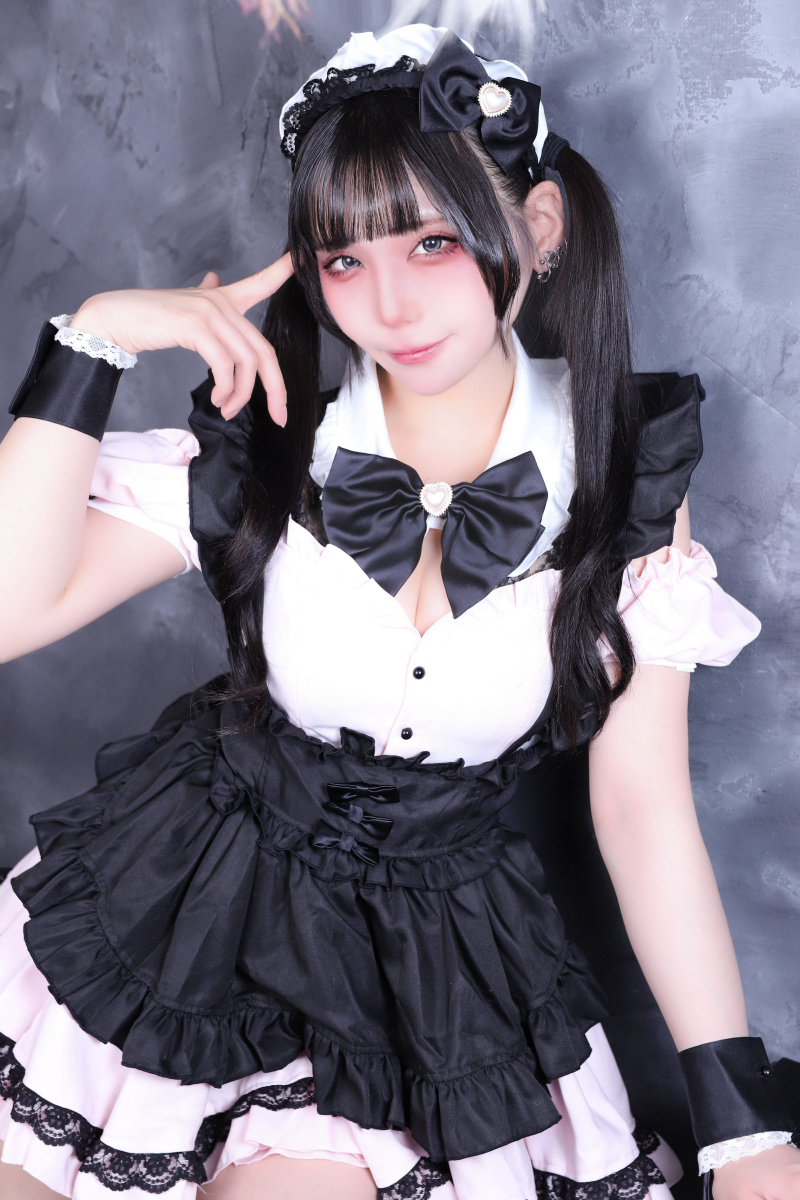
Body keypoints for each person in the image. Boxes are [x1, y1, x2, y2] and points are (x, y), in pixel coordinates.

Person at [0, 22, 796, 1200]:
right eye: (343, 260)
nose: (389, 303)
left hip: (423, 972)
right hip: (181, 904)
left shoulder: (620, 478)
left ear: (536, 228)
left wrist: (739, 1127)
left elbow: (640, 808)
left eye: (433, 243)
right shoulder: (272, 441)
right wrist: (96, 339)